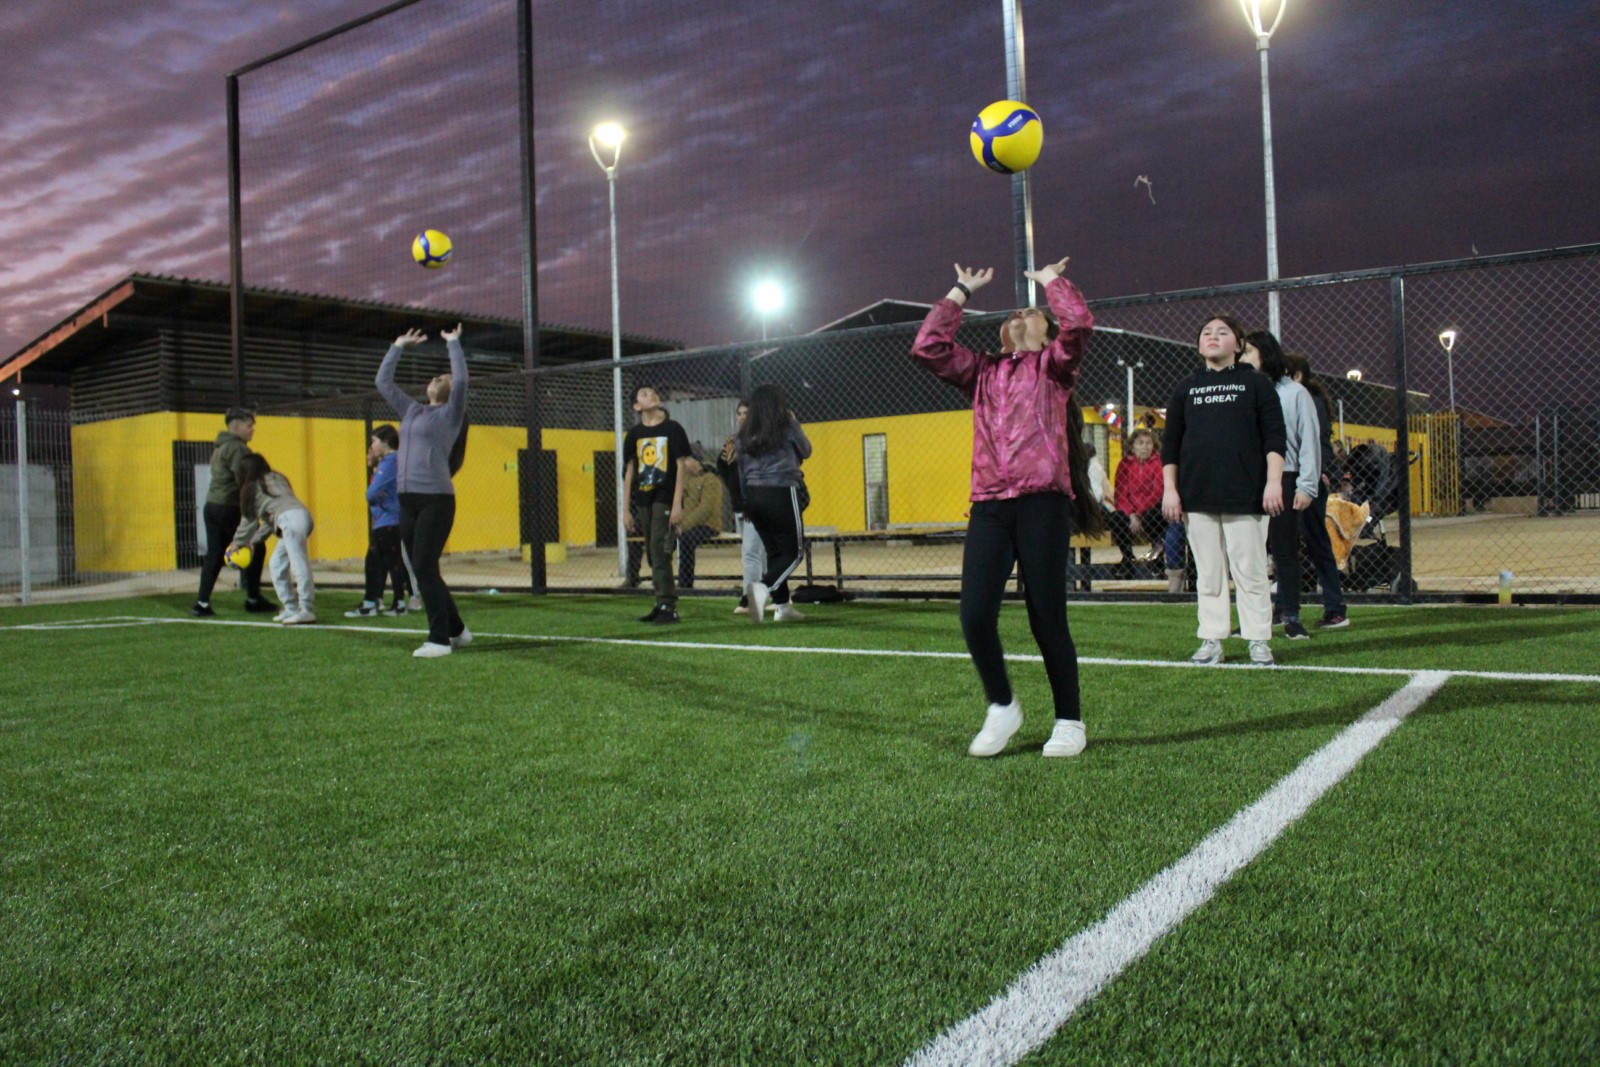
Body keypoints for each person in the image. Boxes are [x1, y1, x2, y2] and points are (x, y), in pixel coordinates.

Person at [911, 255, 1103, 758]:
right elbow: (927, 347)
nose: (1020, 313)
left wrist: (1051, 281)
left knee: (1047, 618)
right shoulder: (981, 372)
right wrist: (959, 291)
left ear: (1046, 331)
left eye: (1032, 311)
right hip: (991, 505)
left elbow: (1080, 322)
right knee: (974, 615)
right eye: (1014, 311)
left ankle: (1069, 721)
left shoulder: (1055, 367)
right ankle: (1002, 706)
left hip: (1042, 504)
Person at [1161, 315, 1286, 667]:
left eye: (1222, 332)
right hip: (1197, 496)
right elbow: (1170, 444)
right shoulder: (1186, 387)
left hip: (1244, 494)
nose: (1212, 337)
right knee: (1209, 572)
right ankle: (1212, 639)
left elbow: (1275, 436)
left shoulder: (1257, 384)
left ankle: (1258, 639)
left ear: (1239, 344)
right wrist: (1170, 489)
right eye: (1206, 333)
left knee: (1251, 570)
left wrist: (1273, 481)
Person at [376, 324, 472, 657]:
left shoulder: (451, 414)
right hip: (408, 500)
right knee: (422, 567)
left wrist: (453, 345)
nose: (437, 378)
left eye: (442, 377)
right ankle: (458, 630)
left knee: (424, 566)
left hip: (436, 500)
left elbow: (461, 380)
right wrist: (398, 345)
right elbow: (383, 383)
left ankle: (439, 639)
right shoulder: (413, 411)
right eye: (435, 377)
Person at [1242, 330, 1320, 641]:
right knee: (1250, 553)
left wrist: (1306, 486)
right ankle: (1259, 616)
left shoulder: (1294, 393)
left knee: (1285, 551)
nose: (1243, 358)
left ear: (1266, 354)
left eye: (1248, 352)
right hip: (1250, 480)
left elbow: (1308, 442)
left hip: (1285, 478)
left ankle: (1291, 616)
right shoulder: (1245, 390)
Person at [1283, 350, 1349, 629]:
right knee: (1284, 544)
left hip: (1309, 480)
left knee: (1316, 540)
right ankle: (1283, 606)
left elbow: (1315, 441)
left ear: (1297, 376)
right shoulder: (1287, 396)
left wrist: (1322, 473)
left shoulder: (1308, 399)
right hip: (1290, 478)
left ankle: (1335, 609)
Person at [737, 383, 812, 624]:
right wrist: (795, 422)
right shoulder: (786, 425)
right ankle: (762, 589)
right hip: (780, 491)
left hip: (753, 495)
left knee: (774, 552)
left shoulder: (744, 432)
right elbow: (807, 451)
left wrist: (746, 502)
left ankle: (782, 607)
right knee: (794, 553)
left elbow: (740, 469)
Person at [193, 407, 274, 617]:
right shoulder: (237, 448)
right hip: (230, 506)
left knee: (215, 553)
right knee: (256, 545)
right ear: (236, 426)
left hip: (212, 506)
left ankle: (201, 603)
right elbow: (245, 480)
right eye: (249, 426)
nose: (252, 430)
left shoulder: (220, 447)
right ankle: (253, 598)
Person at [623, 385, 692, 624]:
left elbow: (681, 466)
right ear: (636, 405)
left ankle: (668, 606)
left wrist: (677, 505)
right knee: (653, 554)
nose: (650, 395)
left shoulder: (673, 429)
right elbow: (630, 471)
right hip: (643, 499)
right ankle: (661, 601)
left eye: (653, 392)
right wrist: (625, 510)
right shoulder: (634, 434)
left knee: (659, 549)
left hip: (665, 498)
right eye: (644, 393)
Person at [229, 454, 316, 625]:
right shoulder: (278, 479)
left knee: (299, 564)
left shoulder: (252, 487)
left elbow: (248, 521)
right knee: (276, 564)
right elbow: (271, 521)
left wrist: (236, 543)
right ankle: (291, 608)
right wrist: (253, 541)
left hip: (289, 520)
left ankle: (306, 609)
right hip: (301, 516)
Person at [346, 425, 412, 618]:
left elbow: (372, 493)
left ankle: (387, 604)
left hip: (388, 520)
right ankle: (378, 602)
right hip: (389, 519)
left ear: (385, 442)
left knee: (386, 561)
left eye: (374, 441)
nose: (372, 446)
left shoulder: (390, 462)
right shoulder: (394, 462)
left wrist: (374, 496)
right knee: (381, 560)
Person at [717, 400, 768, 614]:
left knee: (751, 553)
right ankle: (770, 593)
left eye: (747, 413)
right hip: (741, 506)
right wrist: (733, 491)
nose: (742, 417)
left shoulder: (763, 440)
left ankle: (751, 600)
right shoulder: (732, 442)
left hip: (759, 503)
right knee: (758, 552)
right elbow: (722, 466)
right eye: (739, 413)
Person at [1105, 427, 1167, 576]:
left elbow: (1157, 492)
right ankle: (1128, 559)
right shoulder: (1124, 464)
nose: (1144, 447)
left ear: (1154, 445)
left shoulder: (1158, 463)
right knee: (1116, 518)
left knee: (1153, 515)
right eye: (1140, 443)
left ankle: (1157, 558)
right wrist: (1131, 514)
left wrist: (1139, 514)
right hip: (1130, 512)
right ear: (1132, 446)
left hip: (1150, 509)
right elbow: (1121, 494)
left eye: (1148, 443)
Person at [676, 451, 725, 590]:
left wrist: (683, 525)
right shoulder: (683, 478)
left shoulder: (710, 479)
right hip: (685, 525)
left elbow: (706, 509)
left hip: (708, 525)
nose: (682, 463)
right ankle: (663, 581)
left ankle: (685, 584)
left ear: (696, 461)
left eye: (686, 459)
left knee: (686, 538)